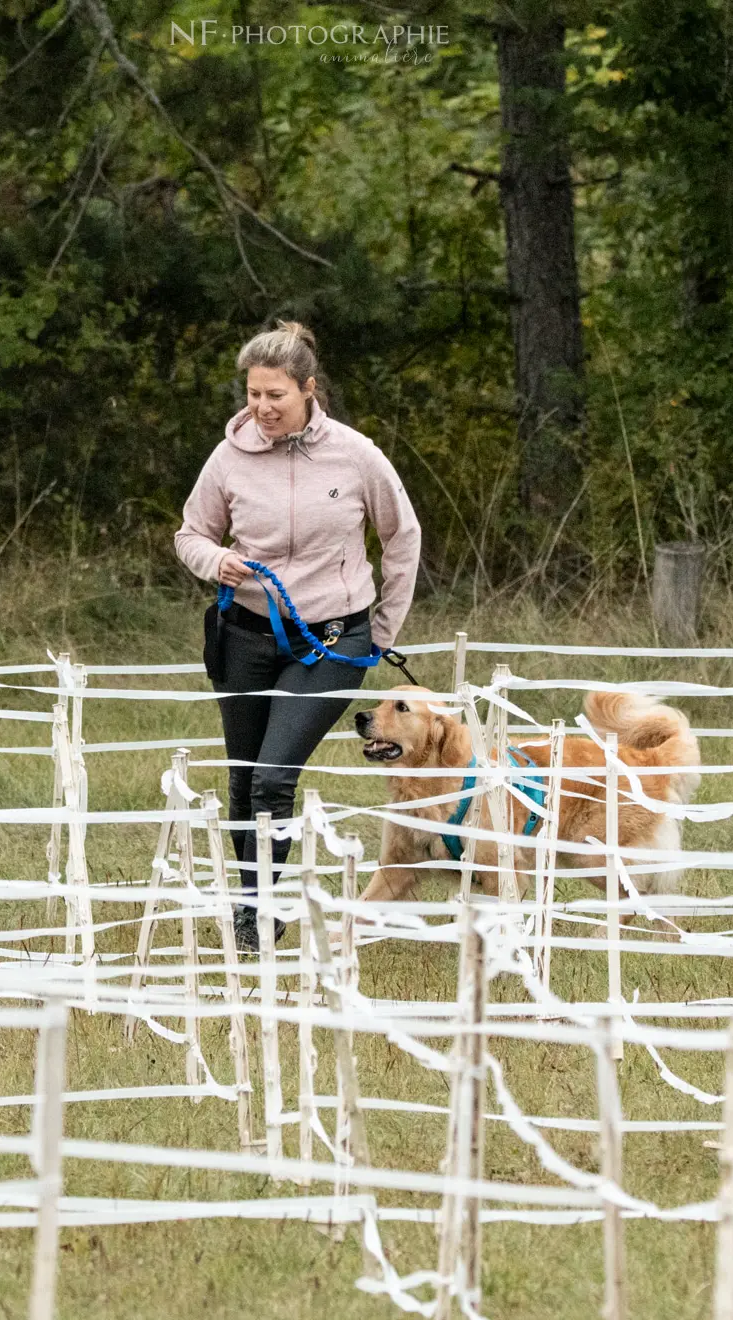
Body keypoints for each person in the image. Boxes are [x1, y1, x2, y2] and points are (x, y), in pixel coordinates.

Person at [174, 321, 422, 951]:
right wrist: (214, 561)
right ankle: (255, 905)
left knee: (272, 775)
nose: (262, 408)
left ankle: (256, 915)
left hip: (333, 639)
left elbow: (402, 537)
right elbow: (191, 534)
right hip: (246, 635)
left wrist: (380, 632)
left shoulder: (356, 454)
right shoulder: (227, 456)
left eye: (275, 396)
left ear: (309, 390)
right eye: (253, 394)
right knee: (242, 775)